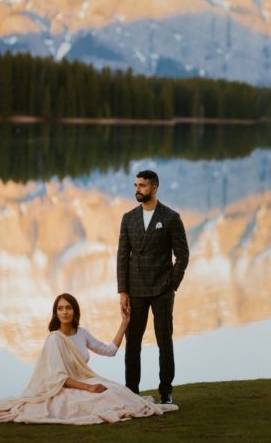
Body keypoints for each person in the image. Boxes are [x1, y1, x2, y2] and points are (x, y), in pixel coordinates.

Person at [0, 293, 177, 424]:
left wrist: (125, 323)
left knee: (118, 391)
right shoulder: (54, 340)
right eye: (60, 308)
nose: (64, 312)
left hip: (85, 381)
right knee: (100, 399)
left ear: (74, 311)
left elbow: (109, 350)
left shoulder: (82, 333)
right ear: (56, 313)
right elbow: (59, 377)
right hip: (65, 388)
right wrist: (88, 389)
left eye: (68, 308)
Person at [118, 169, 189, 405]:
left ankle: (166, 392)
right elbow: (122, 257)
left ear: (154, 188)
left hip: (162, 290)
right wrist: (123, 291)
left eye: (142, 186)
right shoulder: (128, 218)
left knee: (164, 342)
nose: (137, 189)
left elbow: (183, 255)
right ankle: (131, 392)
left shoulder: (170, 217)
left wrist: (172, 284)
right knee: (132, 344)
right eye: (136, 185)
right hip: (135, 291)